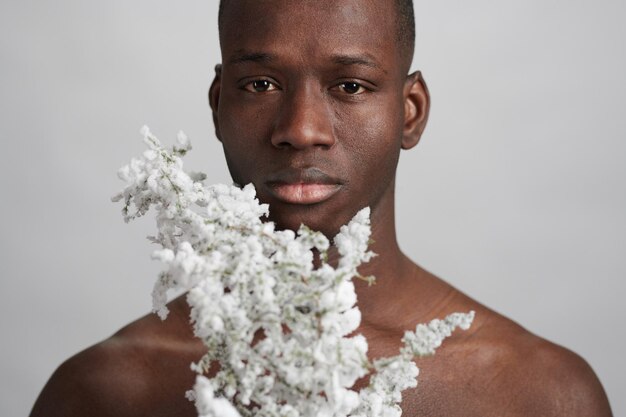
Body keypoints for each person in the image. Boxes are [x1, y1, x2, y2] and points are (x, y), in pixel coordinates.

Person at [30, 0, 613, 416]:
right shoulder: (102, 394)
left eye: (350, 86)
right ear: (217, 105)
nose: (301, 130)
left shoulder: (539, 394)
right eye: (260, 84)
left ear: (409, 112)